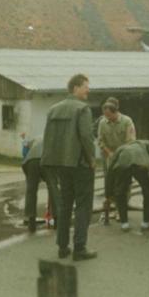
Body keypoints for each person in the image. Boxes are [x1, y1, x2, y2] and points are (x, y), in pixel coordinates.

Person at [41, 74, 97, 261]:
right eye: (85, 86)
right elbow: (87, 138)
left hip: (61, 165)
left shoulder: (53, 109)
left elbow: (48, 137)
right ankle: (79, 248)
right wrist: (92, 160)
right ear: (75, 88)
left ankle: (62, 247)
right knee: (83, 206)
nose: (88, 90)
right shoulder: (82, 109)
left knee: (65, 205)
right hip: (80, 165)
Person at [106, 140, 149, 232]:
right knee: (148, 191)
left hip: (122, 165)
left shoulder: (121, 148)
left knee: (120, 192)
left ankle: (124, 224)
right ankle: (146, 223)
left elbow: (110, 170)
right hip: (142, 165)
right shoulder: (146, 143)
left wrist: (108, 193)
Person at [21, 137, 59, 233]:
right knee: (53, 187)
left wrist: (31, 179)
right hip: (46, 158)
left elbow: (25, 151)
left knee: (31, 191)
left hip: (31, 160)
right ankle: (58, 219)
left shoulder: (34, 140)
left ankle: (31, 221)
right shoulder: (54, 139)